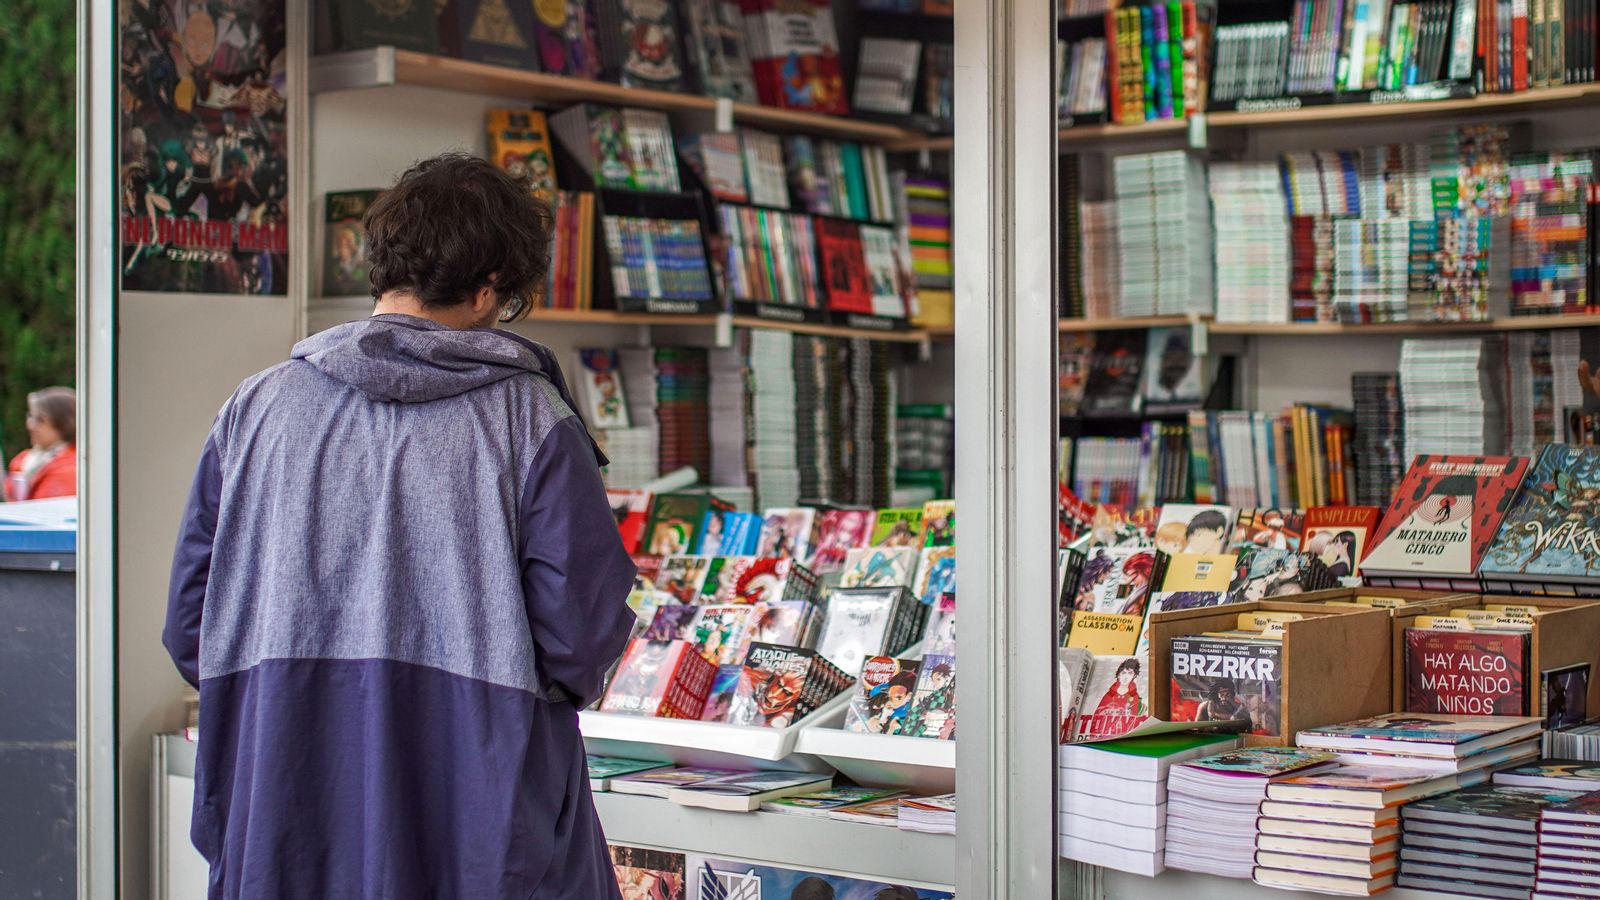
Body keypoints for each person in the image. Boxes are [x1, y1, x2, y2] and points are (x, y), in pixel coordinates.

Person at [162, 153, 638, 900]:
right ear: (489, 291)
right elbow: (580, 637)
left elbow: (192, 626)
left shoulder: (254, 410)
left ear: (380, 268)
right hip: (481, 822)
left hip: (283, 808)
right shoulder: (532, 421)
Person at [4, 387, 77, 502]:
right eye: (30, 416)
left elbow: (43, 511)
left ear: (63, 423)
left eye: (40, 420)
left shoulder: (71, 468)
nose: (30, 425)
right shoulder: (23, 459)